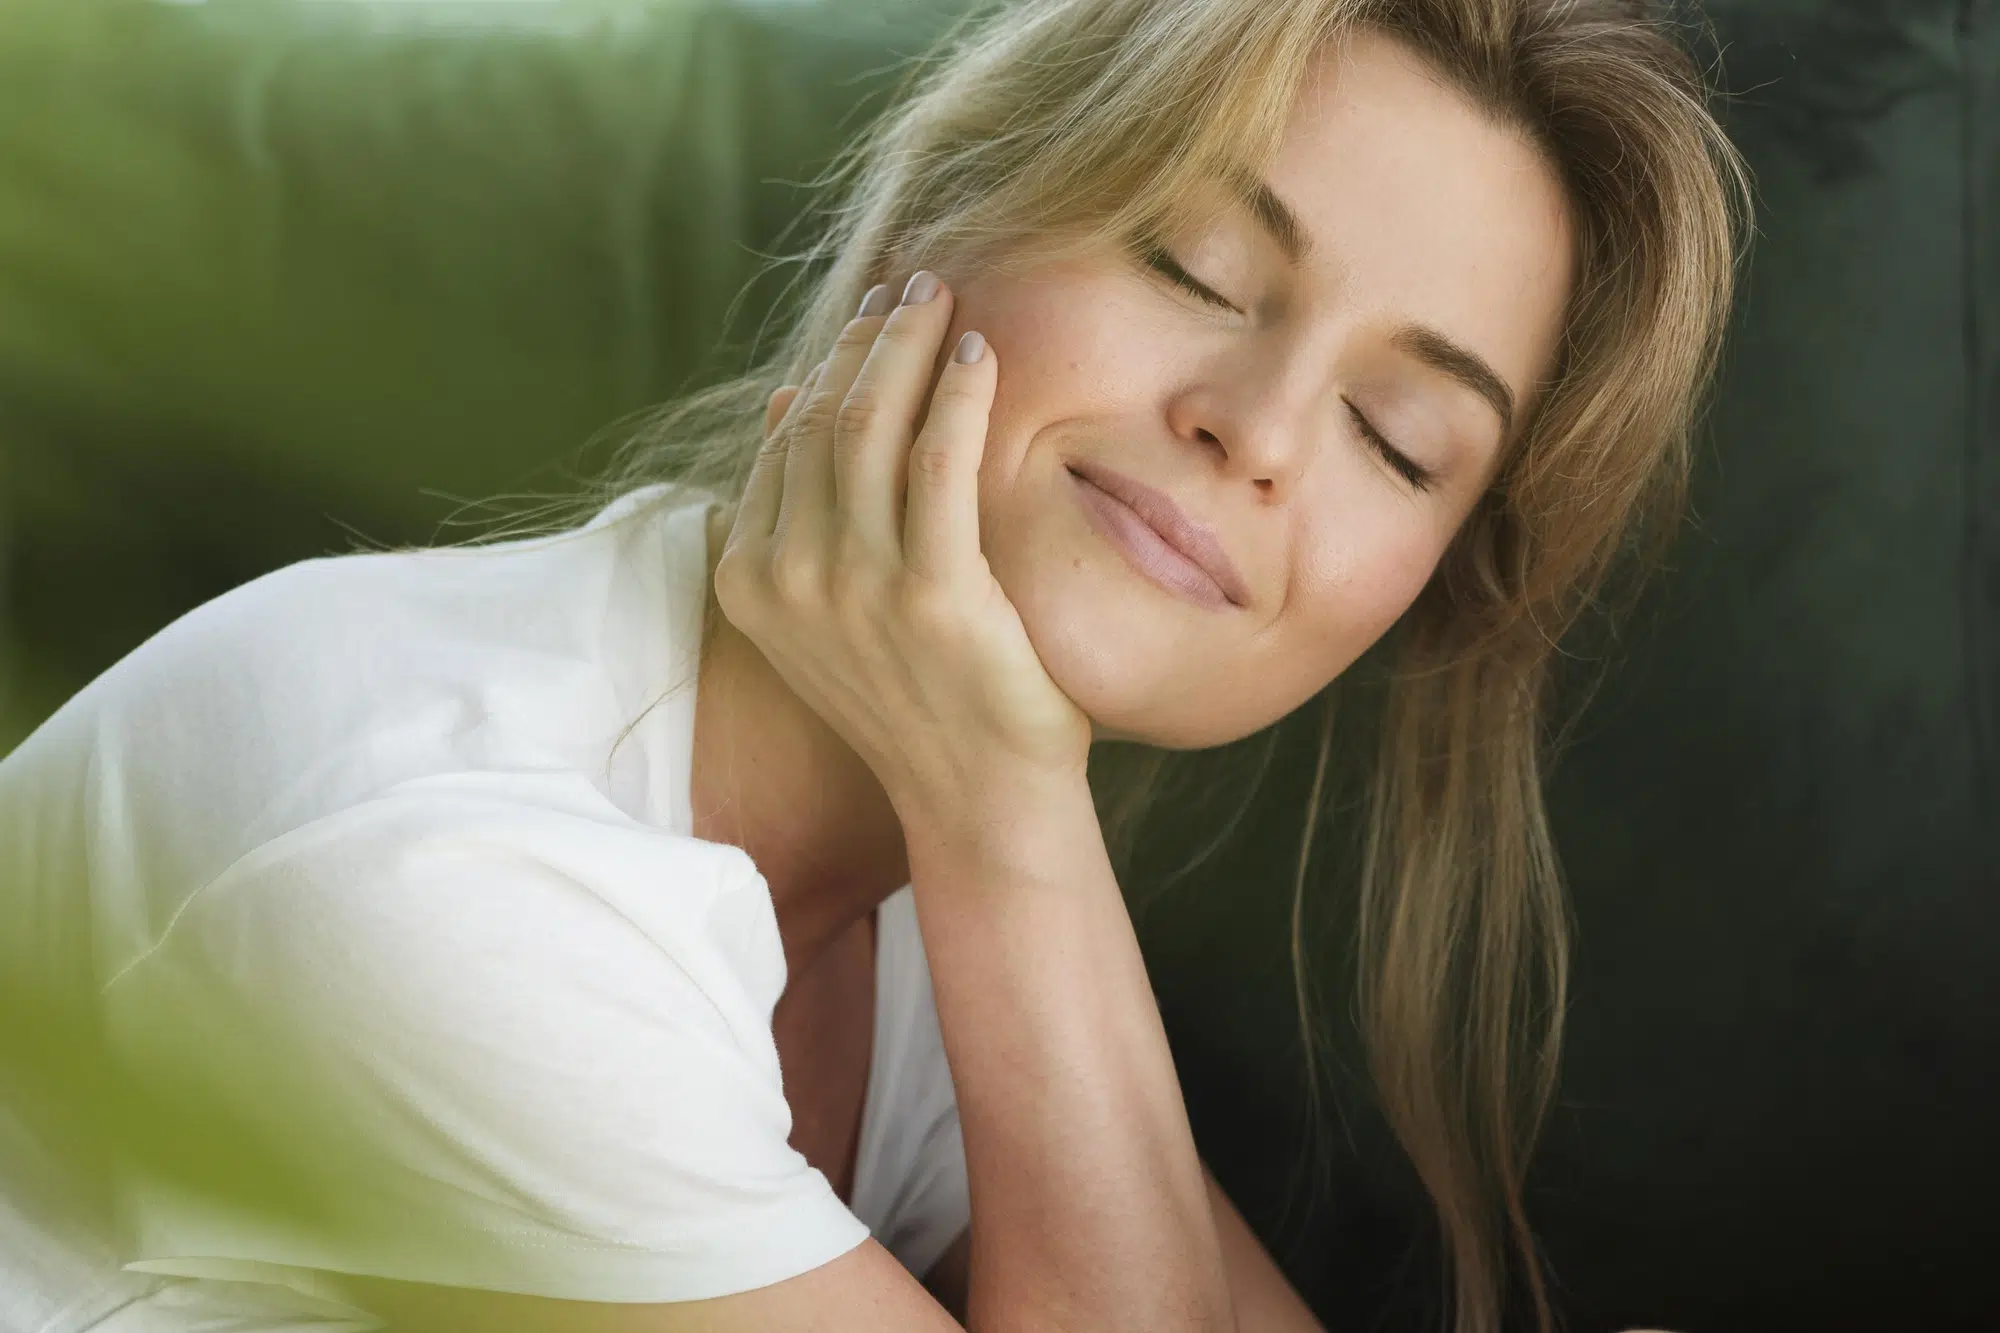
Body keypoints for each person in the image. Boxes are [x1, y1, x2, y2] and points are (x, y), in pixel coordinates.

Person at [0, 0, 1749, 1329]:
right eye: (1193, 263)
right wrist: (1006, 814)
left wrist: (994, 826)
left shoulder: (910, 890)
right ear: (938, 230)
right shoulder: (464, 882)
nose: (1265, 431)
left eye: (1398, 434)